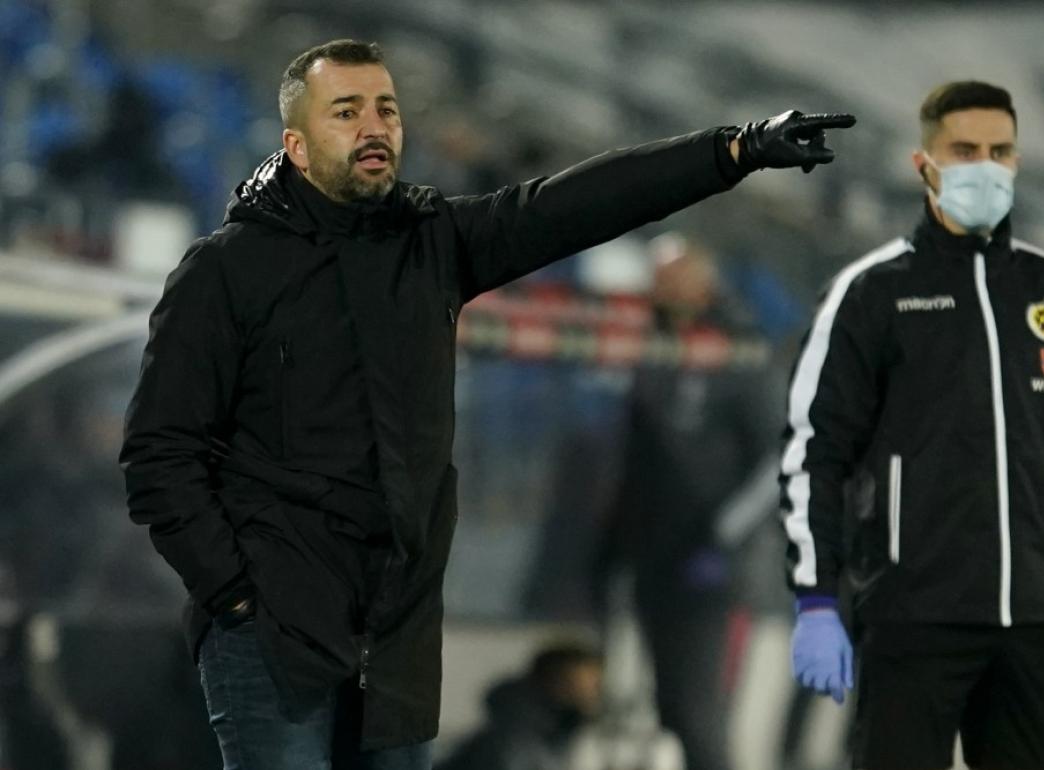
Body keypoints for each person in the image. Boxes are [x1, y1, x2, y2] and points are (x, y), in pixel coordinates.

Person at [118, 38, 855, 770]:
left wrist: (733, 150)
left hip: (396, 635)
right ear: (298, 144)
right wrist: (237, 595)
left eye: (387, 109)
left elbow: (576, 204)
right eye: (346, 111)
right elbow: (157, 454)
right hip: (271, 634)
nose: (375, 127)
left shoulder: (432, 242)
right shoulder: (223, 271)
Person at [780, 80, 1044, 770]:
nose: (985, 165)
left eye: (1000, 150)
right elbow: (815, 453)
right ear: (924, 164)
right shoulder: (872, 293)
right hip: (911, 618)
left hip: (1037, 624)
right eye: (964, 149)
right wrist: (816, 599)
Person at [596, 234, 782, 770]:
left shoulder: (740, 352)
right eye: (657, 278)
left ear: (702, 284)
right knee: (669, 707)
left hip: (712, 573)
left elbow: (778, 458)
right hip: (651, 556)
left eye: (673, 277)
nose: (661, 288)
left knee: (700, 716)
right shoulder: (652, 351)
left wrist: (722, 538)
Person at [435, 642, 604, 770]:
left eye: (594, 687)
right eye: (579, 687)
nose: (590, 697)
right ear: (550, 684)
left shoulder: (551, 739)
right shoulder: (511, 746)